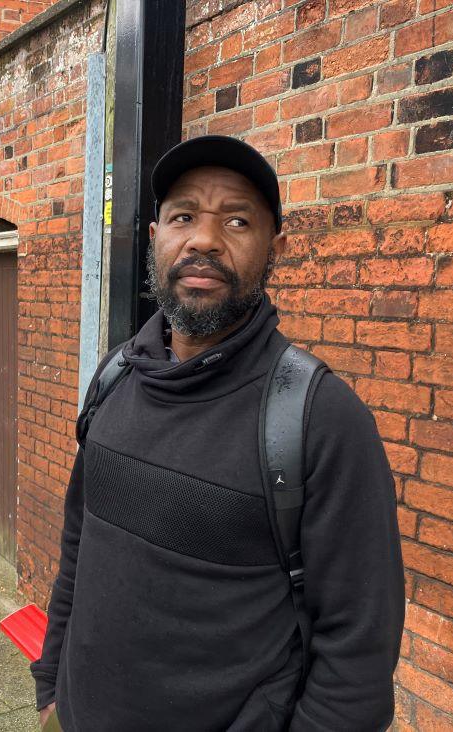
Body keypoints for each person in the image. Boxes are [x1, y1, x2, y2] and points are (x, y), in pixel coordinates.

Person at [30, 135, 404, 731]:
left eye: (237, 220)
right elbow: (79, 546)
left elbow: (357, 655)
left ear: (274, 250)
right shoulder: (114, 378)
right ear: (156, 238)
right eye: (183, 217)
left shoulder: (318, 419)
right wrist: (52, 683)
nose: (204, 240)